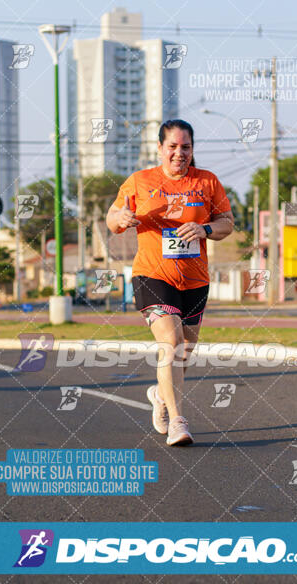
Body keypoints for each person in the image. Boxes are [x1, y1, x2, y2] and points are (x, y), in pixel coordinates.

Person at [106, 119, 234, 446]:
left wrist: (204, 229)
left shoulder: (208, 183)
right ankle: (178, 421)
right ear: (161, 148)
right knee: (171, 339)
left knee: (183, 353)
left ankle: (161, 397)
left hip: (194, 280)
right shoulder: (140, 181)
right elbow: (112, 217)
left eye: (186, 147)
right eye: (173, 147)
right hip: (152, 274)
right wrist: (120, 219)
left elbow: (227, 223)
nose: (180, 153)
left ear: (193, 148)